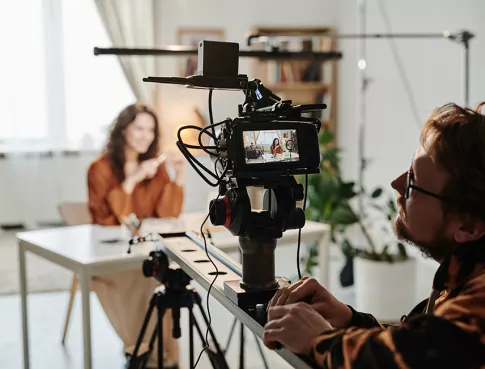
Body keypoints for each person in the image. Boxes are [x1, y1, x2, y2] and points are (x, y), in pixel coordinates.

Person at [263, 102, 485, 368]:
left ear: (468, 227)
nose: (397, 184)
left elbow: (407, 362)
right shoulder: (460, 278)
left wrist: (321, 340)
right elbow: (416, 345)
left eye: (413, 182)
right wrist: (347, 318)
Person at [87, 103, 186, 368]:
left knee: (165, 277)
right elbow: (104, 221)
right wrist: (131, 181)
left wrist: (181, 177)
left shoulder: (156, 167)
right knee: (146, 279)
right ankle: (143, 347)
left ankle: (162, 355)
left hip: (144, 250)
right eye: (138, 128)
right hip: (110, 256)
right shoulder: (100, 168)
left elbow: (169, 214)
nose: (146, 136)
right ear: (123, 130)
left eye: (151, 130)